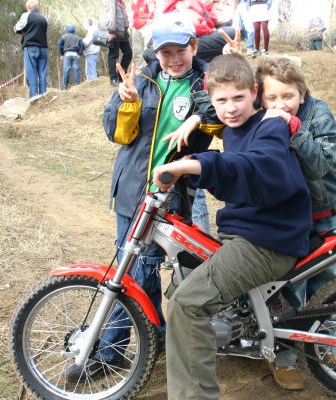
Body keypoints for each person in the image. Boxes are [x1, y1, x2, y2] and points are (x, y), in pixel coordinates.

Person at [65, 12, 223, 381]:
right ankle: (147, 341)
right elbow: (117, 134)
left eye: (180, 50)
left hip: (172, 197)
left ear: (193, 47)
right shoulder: (140, 78)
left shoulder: (208, 81)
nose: (173, 58)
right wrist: (128, 102)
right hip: (132, 191)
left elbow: (220, 114)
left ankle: (122, 348)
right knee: (135, 272)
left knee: (144, 271)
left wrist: (196, 119)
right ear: (155, 51)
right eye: (165, 52)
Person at [152, 53, 312, 400]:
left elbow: (257, 164)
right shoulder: (233, 127)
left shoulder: (270, 124)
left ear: (255, 92)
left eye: (239, 97)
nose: (231, 108)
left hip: (268, 240)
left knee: (187, 304)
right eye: (221, 100)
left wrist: (195, 165)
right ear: (210, 100)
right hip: (248, 232)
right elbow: (219, 137)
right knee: (181, 280)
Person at [255, 56, 336, 389]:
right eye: (272, 97)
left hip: (323, 214)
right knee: (288, 286)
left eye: (288, 96)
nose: (280, 104)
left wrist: (294, 128)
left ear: (302, 93)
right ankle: (286, 356)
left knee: (325, 281)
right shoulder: (259, 118)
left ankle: (328, 341)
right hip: (288, 218)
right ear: (260, 98)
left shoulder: (318, 114)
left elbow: (320, 165)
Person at [13, 0, 48, 99]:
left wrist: (21, 30)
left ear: (28, 8)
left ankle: (33, 98)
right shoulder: (44, 18)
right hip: (43, 48)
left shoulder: (26, 15)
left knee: (31, 74)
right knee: (42, 73)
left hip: (31, 47)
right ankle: (43, 96)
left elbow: (17, 28)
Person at [101, 0, 133, 85]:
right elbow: (111, 16)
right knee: (113, 55)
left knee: (128, 53)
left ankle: (121, 76)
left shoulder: (121, 2)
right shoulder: (111, 1)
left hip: (123, 32)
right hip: (114, 32)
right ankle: (113, 79)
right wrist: (111, 31)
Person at [58, 24, 84, 89]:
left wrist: (62, 54)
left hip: (67, 54)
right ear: (74, 30)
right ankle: (77, 85)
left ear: (67, 29)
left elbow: (60, 46)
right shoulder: (78, 37)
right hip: (75, 54)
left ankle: (65, 86)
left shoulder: (63, 37)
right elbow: (82, 45)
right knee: (76, 69)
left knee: (66, 70)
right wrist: (79, 53)